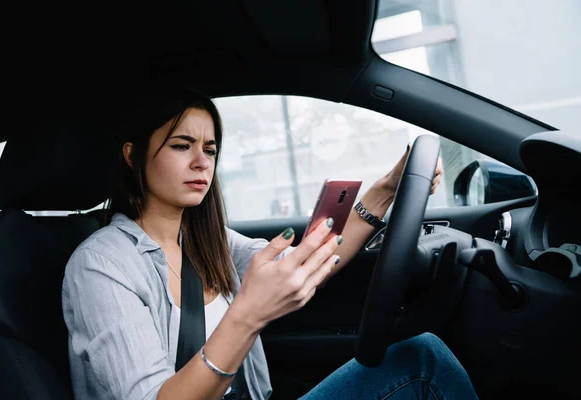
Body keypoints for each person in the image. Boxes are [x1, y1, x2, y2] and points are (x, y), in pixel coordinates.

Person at [62, 88, 478, 400]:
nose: (201, 161)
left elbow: (308, 262)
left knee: (421, 357)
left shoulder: (209, 242)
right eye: (180, 145)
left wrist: (385, 191)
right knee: (424, 366)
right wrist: (248, 314)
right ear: (133, 156)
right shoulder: (102, 264)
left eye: (209, 149)